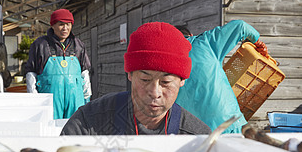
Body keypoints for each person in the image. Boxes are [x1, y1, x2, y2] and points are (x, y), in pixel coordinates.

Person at [60, 22, 211, 136]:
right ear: (130, 74)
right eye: (145, 79)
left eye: (165, 82)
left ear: (182, 81)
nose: (155, 92)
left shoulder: (196, 138)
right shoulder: (87, 123)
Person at [175, 20, 269, 133]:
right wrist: (257, 42)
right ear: (190, 35)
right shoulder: (204, 42)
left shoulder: (166, 59)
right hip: (229, 123)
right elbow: (241, 26)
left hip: (192, 132)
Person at [25, 9, 92, 119]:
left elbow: (84, 73)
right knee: (50, 130)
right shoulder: (40, 45)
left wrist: (86, 97)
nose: (65, 28)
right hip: (49, 100)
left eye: (68, 24)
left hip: (75, 99)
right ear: (53, 25)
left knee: (74, 129)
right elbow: (31, 73)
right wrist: (34, 98)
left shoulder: (78, 45)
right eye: (61, 24)